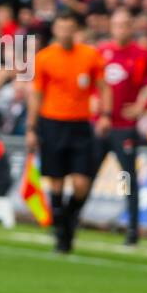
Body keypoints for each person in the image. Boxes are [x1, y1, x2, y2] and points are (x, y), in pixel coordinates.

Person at [26, 13, 110, 254]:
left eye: (70, 28)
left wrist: (105, 114)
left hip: (80, 124)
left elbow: (104, 87)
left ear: (76, 30)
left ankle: (67, 220)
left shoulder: (90, 55)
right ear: (55, 30)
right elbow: (37, 94)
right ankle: (63, 233)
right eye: (61, 28)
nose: (65, 33)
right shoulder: (45, 58)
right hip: (51, 123)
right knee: (56, 182)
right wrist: (32, 128)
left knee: (82, 182)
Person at [91, 7, 147, 246]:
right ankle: (69, 223)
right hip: (100, 126)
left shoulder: (141, 55)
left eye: (125, 24)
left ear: (132, 27)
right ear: (111, 27)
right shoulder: (101, 52)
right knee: (87, 174)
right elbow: (89, 81)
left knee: (126, 177)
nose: (121, 29)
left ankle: (132, 229)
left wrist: (142, 104)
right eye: (117, 24)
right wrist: (91, 100)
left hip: (124, 128)